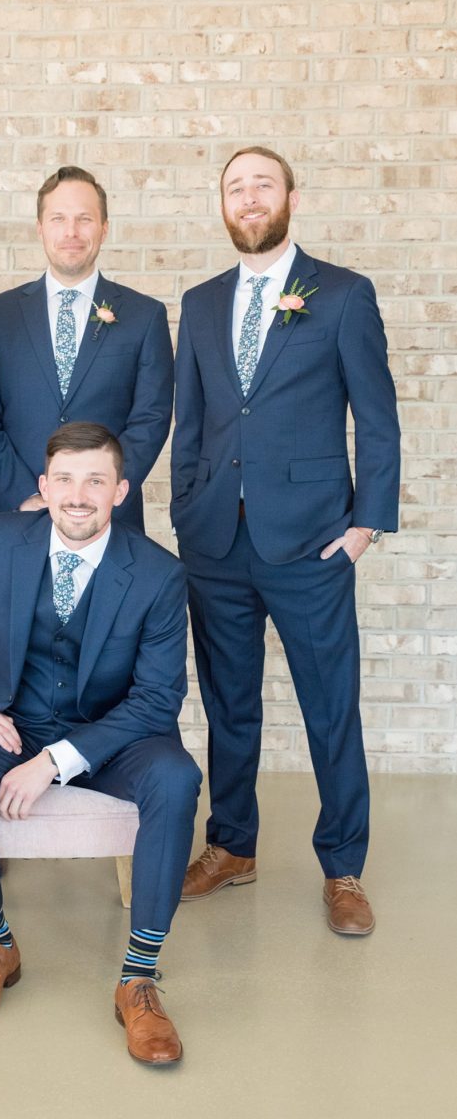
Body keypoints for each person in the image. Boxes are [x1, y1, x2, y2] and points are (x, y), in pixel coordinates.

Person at [0, 423, 200, 1065]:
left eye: (95, 480)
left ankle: (138, 979)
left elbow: (155, 700)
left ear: (121, 490)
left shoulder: (159, 575)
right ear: (44, 486)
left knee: (176, 780)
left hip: (116, 734)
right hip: (15, 721)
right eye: (64, 479)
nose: (78, 494)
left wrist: (54, 763)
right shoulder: (2, 540)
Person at [171, 146, 400, 935]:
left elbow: (374, 416)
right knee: (227, 706)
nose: (248, 198)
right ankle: (231, 846)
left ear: (290, 198)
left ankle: (342, 866)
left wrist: (365, 523)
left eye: (261, 184)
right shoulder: (199, 304)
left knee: (329, 707)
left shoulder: (339, 295)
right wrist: (183, 511)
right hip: (214, 544)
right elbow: (192, 420)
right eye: (235, 188)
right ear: (223, 205)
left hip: (310, 542)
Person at [0, 165, 173, 532]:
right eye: (58, 218)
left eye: (85, 219)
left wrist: (102, 492)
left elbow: (151, 418)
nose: (71, 232)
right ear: (40, 228)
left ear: (104, 228)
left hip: (111, 520)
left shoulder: (145, 316)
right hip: (16, 515)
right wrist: (24, 496)